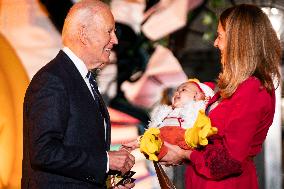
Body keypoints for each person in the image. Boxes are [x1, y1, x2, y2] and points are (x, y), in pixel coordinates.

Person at [158, 4, 281, 189]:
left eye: (220, 36)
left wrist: (184, 154)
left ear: (238, 42)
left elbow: (230, 160)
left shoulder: (253, 89)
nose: (215, 43)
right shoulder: (237, 87)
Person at [22, 1, 135, 189]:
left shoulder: (80, 79)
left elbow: (79, 152)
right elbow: (44, 152)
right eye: (109, 31)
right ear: (84, 34)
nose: (115, 40)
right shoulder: (53, 80)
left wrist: (107, 183)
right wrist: (106, 161)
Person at [139, 79, 217, 161]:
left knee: (196, 133)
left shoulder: (195, 109)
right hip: (162, 142)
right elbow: (154, 125)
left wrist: (201, 101)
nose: (176, 93)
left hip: (184, 140)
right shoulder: (169, 111)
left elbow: (201, 109)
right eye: (176, 91)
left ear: (197, 96)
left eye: (183, 89)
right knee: (149, 138)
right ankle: (150, 147)